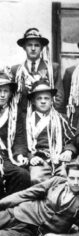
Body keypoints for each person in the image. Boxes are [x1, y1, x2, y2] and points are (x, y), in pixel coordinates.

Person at [0, 161, 79, 236]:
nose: (75, 182)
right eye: (71, 178)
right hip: (17, 213)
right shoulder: (56, 181)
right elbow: (26, 194)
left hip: (30, 233)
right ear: (67, 177)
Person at [26, 78, 76, 184]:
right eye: (39, 98)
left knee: (67, 178)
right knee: (36, 178)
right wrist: (31, 157)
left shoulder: (61, 118)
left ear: (52, 100)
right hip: (38, 160)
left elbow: (71, 140)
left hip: (59, 160)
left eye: (46, 98)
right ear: (33, 102)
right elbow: (21, 145)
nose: (43, 101)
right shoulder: (27, 121)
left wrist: (68, 151)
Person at [11, 28, 64, 114]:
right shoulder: (16, 70)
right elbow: (13, 98)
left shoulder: (52, 68)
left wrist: (48, 115)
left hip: (46, 117)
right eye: (29, 45)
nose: (33, 48)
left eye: (36, 45)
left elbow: (59, 97)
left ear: (42, 48)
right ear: (24, 47)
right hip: (23, 118)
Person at [0, 68, 30, 197]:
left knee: (22, 175)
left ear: (11, 93)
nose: (2, 95)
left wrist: (19, 155)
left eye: (5, 91)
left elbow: (19, 138)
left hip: (8, 156)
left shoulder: (14, 113)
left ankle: (11, 211)